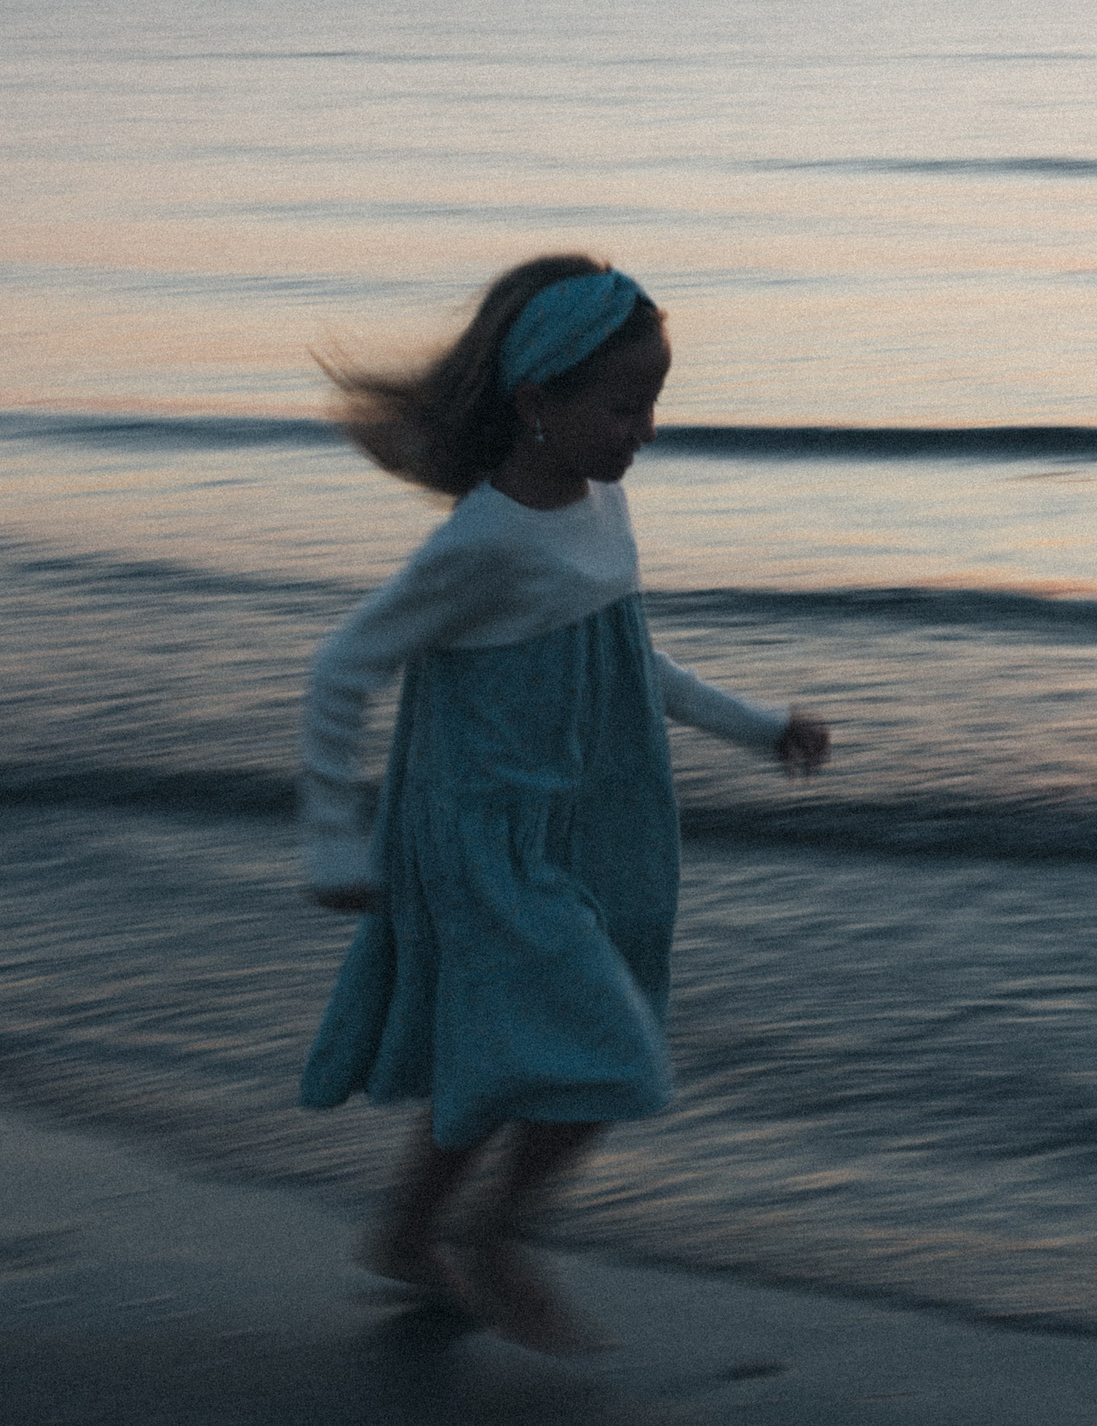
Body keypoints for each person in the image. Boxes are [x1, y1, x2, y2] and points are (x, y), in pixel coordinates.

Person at [295, 254, 829, 1355]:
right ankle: (499, 1236)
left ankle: (403, 1236)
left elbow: (634, 661)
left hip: (583, 822)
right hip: (485, 838)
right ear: (536, 401)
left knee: (510, 1051)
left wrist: (760, 722)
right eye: (625, 404)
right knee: (606, 1053)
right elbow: (342, 666)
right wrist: (334, 838)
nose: (645, 429)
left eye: (654, 403)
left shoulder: (600, 505)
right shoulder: (481, 541)